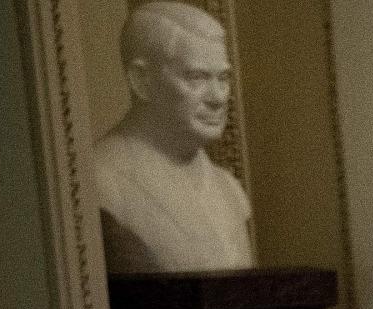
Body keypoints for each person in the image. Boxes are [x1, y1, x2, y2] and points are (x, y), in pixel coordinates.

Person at [91, 1, 255, 275]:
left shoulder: (229, 190)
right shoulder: (101, 181)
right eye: (196, 77)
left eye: (223, 78)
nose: (218, 97)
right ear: (141, 80)